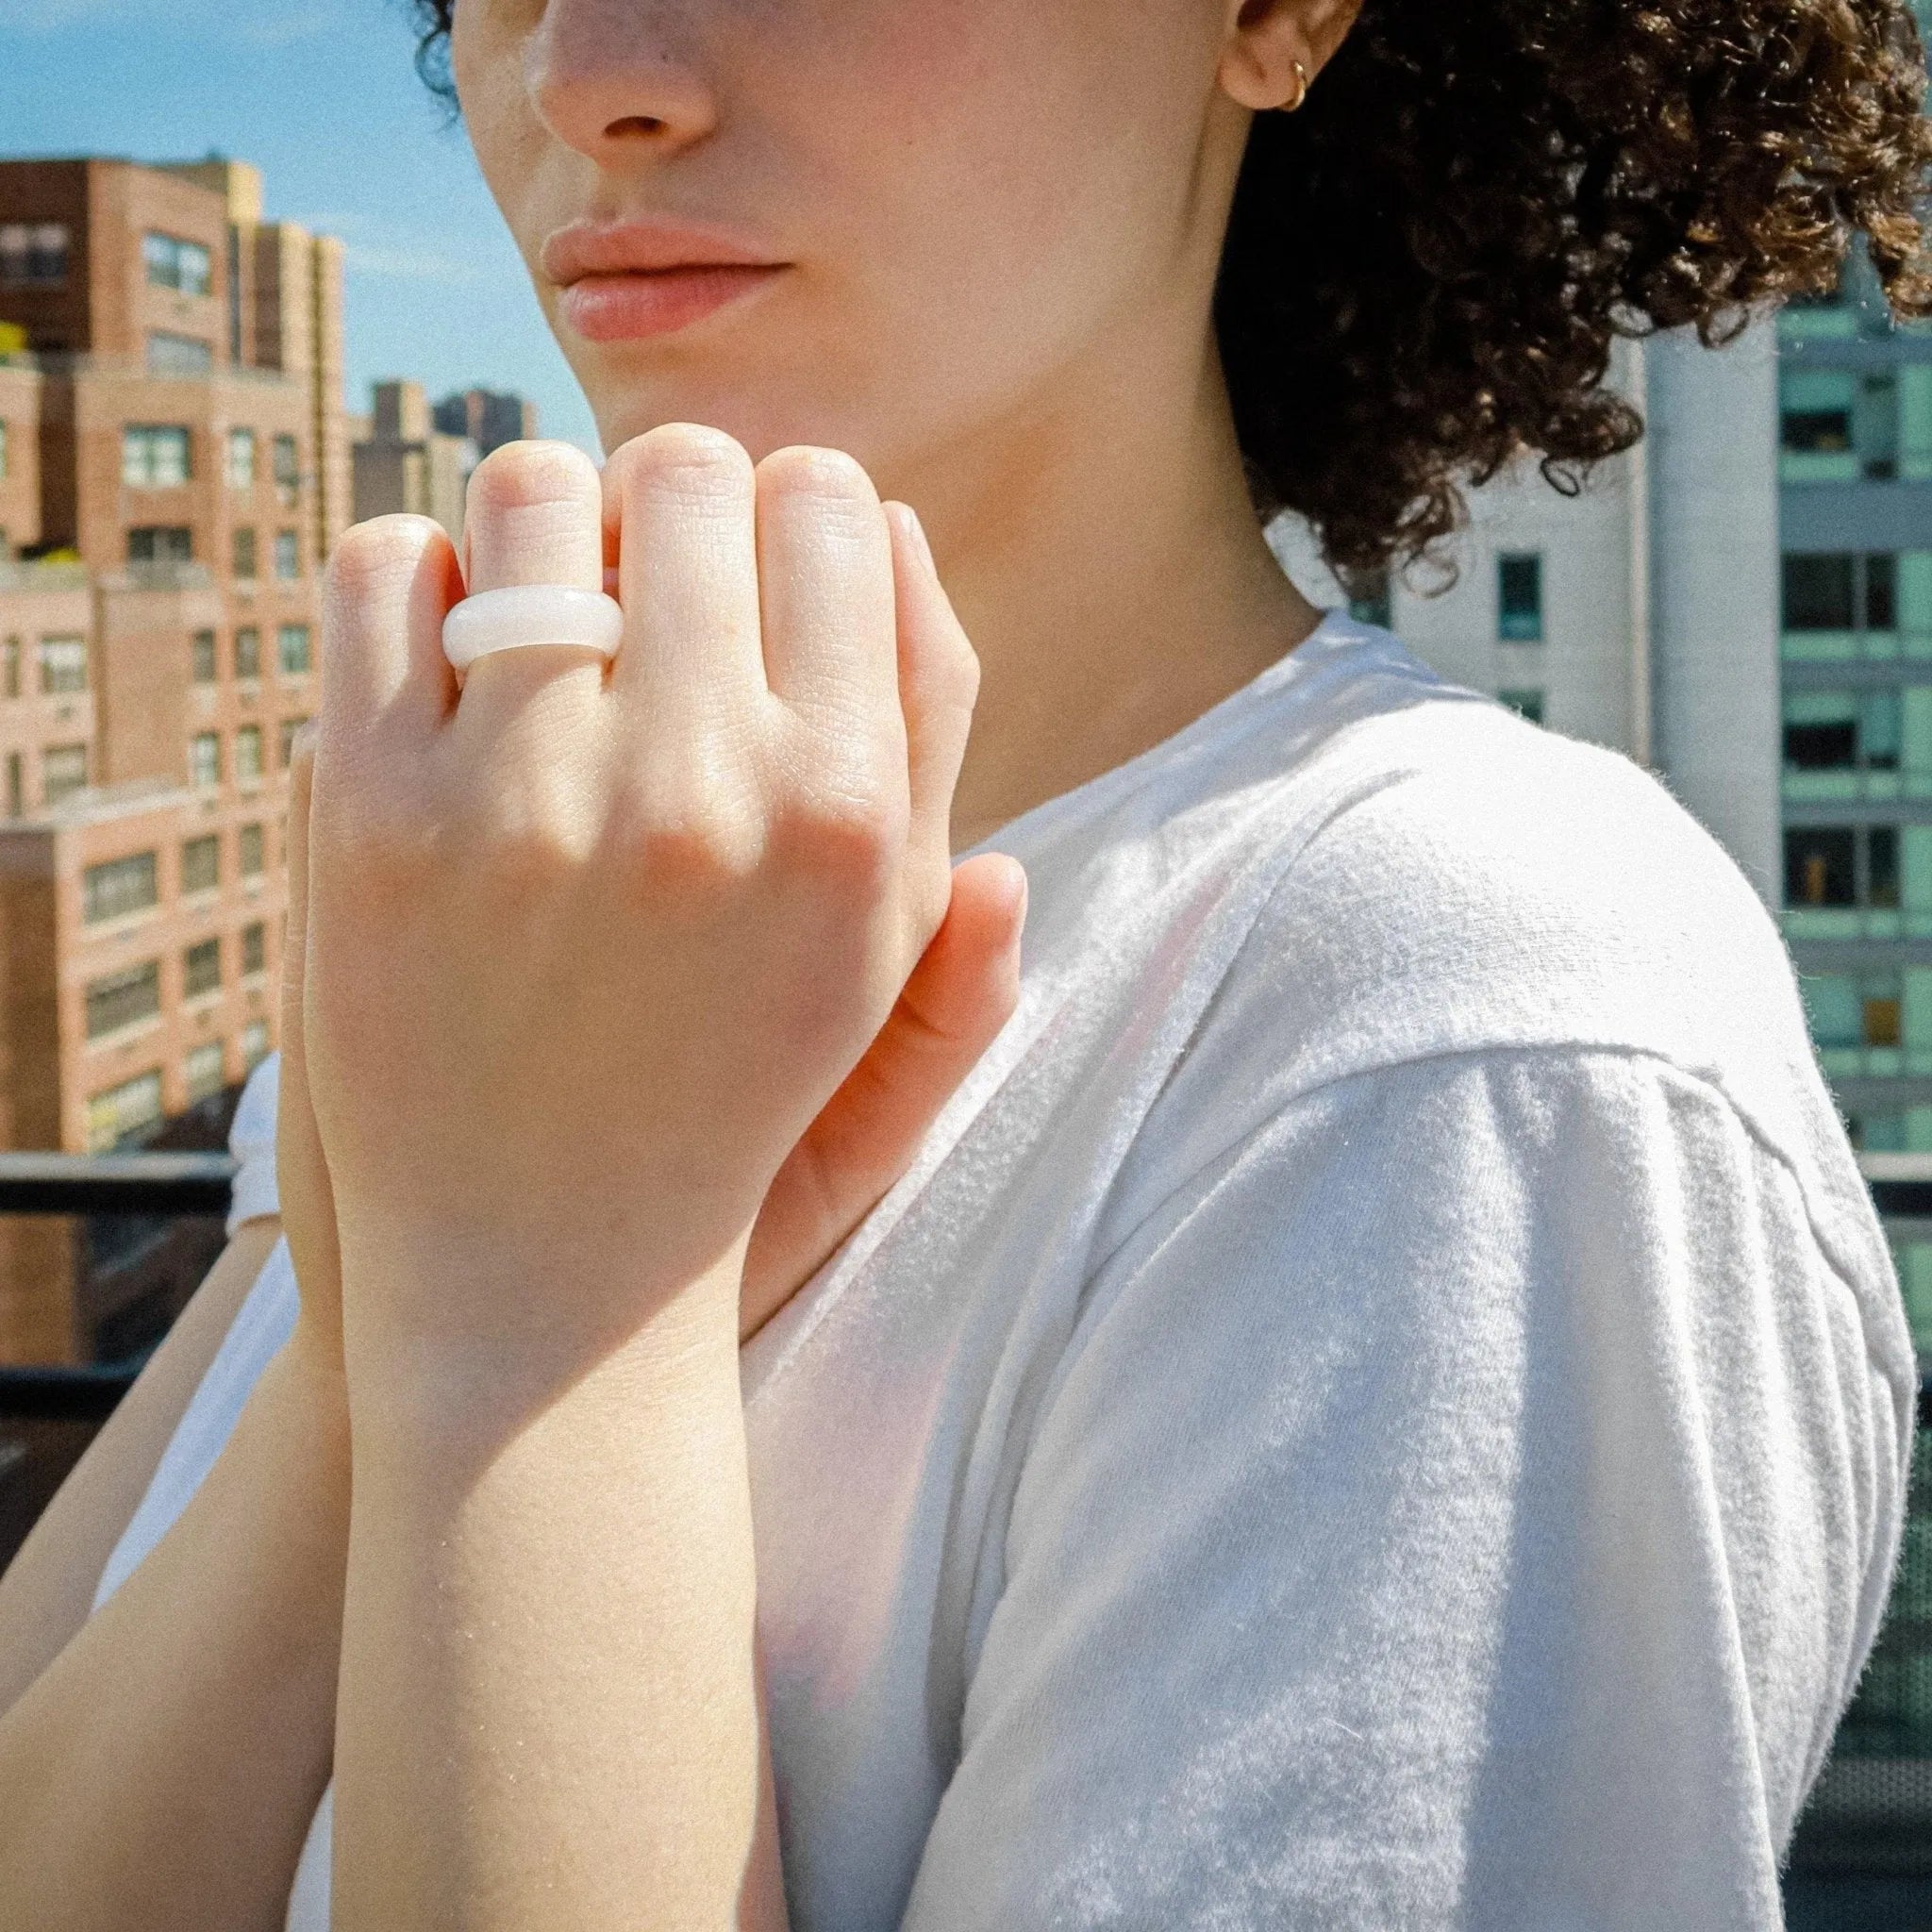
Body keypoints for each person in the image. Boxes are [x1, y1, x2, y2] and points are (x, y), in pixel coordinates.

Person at [1, 0, 1926, 1924]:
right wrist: (387, 1353)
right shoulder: (506, 887)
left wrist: (543, 1316)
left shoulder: (1461, 1027)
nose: (587, 67)